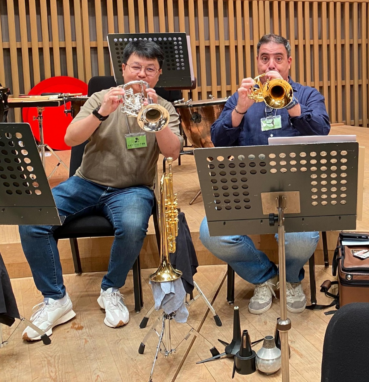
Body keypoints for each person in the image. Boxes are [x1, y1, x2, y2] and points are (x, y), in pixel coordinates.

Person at [19, 41, 183, 341]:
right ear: (123, 70)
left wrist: (156, 115)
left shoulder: (165, 107)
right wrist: (102, 112)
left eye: (150, 70)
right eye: (136, 67)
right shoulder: (99, 97)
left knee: (134, 226)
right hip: (86, 183)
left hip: (133, 189)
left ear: (158, 75)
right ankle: (56, 299)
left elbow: (172, 153)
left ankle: (110, 289)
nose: (142, 74)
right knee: (32, 218)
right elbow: (70, 138)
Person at [200, 33, 330, 315]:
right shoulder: (242, 97)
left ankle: (292, 278)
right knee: (210, 233)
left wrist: (291, 104)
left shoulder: (307, 95)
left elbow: (321, 130)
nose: (271, 65)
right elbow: (218, 139)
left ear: (289, 63)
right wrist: (239, 110)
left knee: (302, 238)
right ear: (257, 62)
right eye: (264, 58)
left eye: (278, 59)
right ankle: (266, 277)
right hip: (248, 189)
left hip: (296, 190)